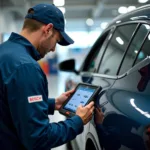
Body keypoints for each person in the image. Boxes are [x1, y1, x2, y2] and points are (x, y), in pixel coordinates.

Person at [0, 4, 94, 150]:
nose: (53, 49)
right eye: (56, 41)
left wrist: (52, 104)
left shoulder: (4, 51)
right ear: (48, 29)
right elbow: (38, 138)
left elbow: (9, 102)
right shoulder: (26, 67)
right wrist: (78, 121)